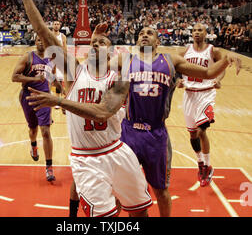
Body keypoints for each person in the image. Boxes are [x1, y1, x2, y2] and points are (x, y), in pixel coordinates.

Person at [26, 25, 241, 217]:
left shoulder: (170, 60)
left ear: (157, 41)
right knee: (121, 193)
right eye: (141, 33)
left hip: (156, 134)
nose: (144, 36)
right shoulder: (124, 60)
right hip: (128, 132)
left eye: (149, 33)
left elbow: (207, 72)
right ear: (136, 41)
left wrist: (226, 59)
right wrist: (96, 42)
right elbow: (95, 63)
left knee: (161, 190)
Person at [7, 0, 153, 217]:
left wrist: (59, 101)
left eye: (101, 42)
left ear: (112, 51)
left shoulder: (120, 78)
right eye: (93, 42)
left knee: (140, 214)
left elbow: (104, 112)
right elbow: (43, 32)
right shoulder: (74, 72)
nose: (95, 44)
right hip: (86, 159)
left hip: (117, 150)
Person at [177, 23, 228, 187]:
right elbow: (176, 68)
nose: (197, 33)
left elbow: (222, 67)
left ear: (207, 33)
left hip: (206, 94)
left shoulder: (213, 50)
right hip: (189, 94)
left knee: (201, 131)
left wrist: (218, 80)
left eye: (200, 30)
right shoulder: (185, 51)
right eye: (195, 31)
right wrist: (178, 79)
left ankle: (207, 165)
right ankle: (200, 162)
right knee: (192, 134)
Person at [11, 35, 62, 182]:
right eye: (39, 39)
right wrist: (34, 79)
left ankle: (49, 167)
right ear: (35, 42)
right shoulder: (27, 57)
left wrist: (61, 92)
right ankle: (33, 145)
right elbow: (14, 77)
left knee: (45, 131)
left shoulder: (51, 59)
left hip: (44, 97)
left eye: (43, 40)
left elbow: (52, 77)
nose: (41, 42)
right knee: (33, 129)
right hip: (27, 96)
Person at [52, 21, 67, 109]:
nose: (56, 25)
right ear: (52, 25)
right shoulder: (49, 35)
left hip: (59, 59)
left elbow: (65, 49)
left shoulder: (63, 36)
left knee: (59, 80)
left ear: (60, 26)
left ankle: (58, 101)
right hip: (50, 59)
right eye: (55, 24)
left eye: (58, 24)